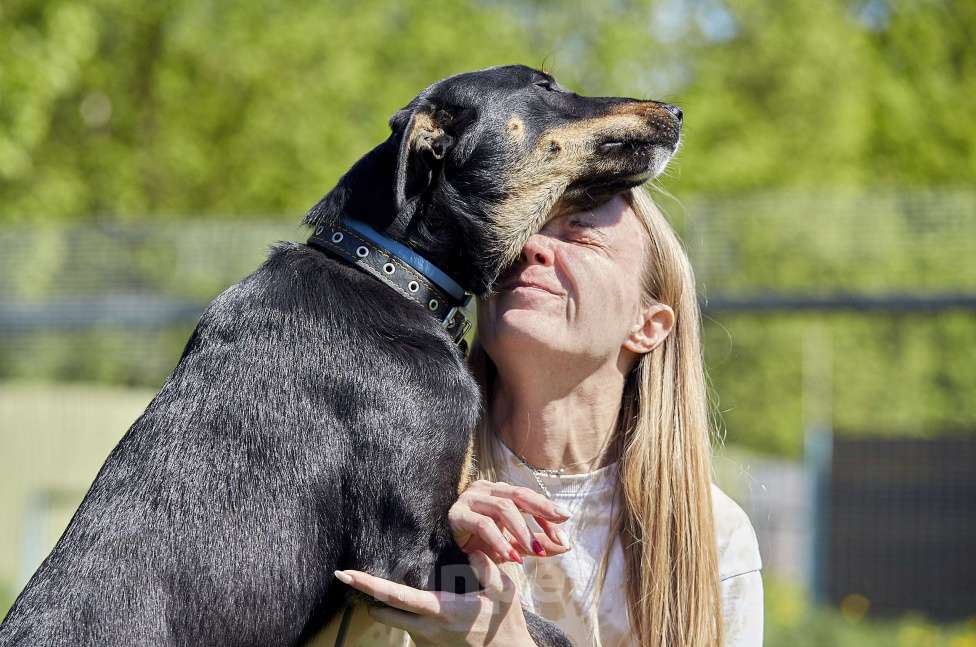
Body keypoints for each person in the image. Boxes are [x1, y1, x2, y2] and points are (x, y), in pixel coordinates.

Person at [333, 187, 763, 646]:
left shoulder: (714, 537)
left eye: (582, 236)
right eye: (523, 229)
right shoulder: (388, 476)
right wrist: (420, 542)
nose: (531, 247)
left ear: (647, 324)